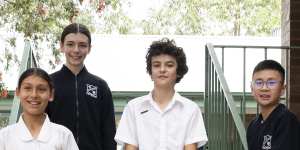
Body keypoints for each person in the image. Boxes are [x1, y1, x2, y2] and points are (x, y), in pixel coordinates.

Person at [115, 38, 208, 150]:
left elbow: (190, 147)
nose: (162, 69)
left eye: (169, 65)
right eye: (156, 65)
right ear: (150, 71)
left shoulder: (191, 109)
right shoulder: (133, 107)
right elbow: (130, 147)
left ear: (178, 72)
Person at [46, 23, 116, 150]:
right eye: (70, 44)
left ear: (89, 48)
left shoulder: (100, 86)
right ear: (61, 46)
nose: (76, 50)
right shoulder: (48, 83)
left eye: (82, 45)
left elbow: (109, 131)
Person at [0, 68, 79, 150]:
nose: (34, 95)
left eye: (41, 89)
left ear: (51, 94)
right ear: (18, 92)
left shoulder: (64, 135)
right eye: (27, 88)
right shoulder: (4, 137)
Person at [247, 59, 300, 150]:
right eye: (259, 83)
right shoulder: (253, 125)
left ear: (283, 89)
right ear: (252, 89)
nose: (264, 88)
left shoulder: (287, 121)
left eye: (271, 83)